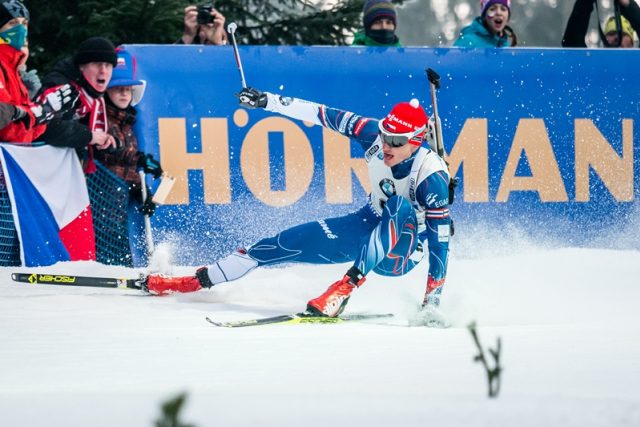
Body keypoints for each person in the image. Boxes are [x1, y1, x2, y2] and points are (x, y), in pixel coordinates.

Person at [144, 88, 453, 324]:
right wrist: (266, 100)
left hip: (404, 251)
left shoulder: (431, 176)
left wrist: (432, 303)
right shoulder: (372, 133)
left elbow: (440, 244)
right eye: (386, 136)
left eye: (397, 142)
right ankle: (193, 281)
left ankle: (342, 291)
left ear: (418, 140)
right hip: (366, 224)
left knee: (399, 206)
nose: (386, 146)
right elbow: (321, 113)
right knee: (279, 243)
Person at [94, 47, 162, 219]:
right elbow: (108, 154)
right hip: (100, 204)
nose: (124, 93)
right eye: (118, 88)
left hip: (118, 207)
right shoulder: (99, 118)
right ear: (106, 91)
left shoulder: (128, 124)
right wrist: (139, 158)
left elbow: (126, 169)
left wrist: (141, 191)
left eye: (128, 89)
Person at [0, 0, 77, 143]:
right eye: (13, 23)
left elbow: (26, 135)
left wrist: (46, 113)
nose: (21, 29)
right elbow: (7, 129)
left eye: (24, 24)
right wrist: (35, 114)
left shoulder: (13, 70)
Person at [37, 36, 117, 170]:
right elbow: (45, 128)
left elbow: (85, 137)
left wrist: (107, 142)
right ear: (81, 66)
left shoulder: (94, 97)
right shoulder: (60, 86)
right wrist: (89, 136)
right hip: (43, 170)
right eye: (97, 64)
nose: (103, 70)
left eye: (108, 65)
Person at [562, 0, 639, 48]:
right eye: (611, 34)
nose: (616, 37)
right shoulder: (592, 64)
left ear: (631, 41)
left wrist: (628, 4)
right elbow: (572, 45)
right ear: (605, 40)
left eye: (622, 34)